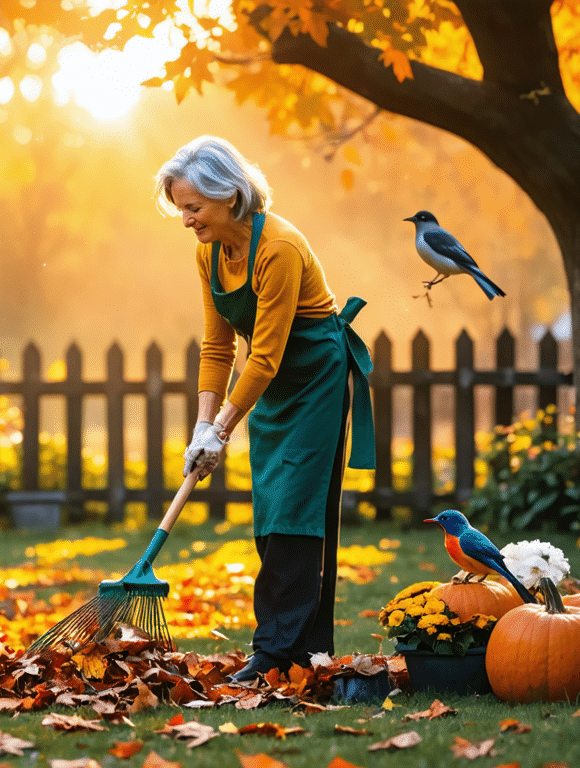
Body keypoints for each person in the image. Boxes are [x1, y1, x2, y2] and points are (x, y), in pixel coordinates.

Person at [154, 136, 376, 683]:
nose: (186, 220)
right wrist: (205, 425)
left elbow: (268, 355)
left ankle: (275, 650)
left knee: (297, 513)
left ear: (228, 196)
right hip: (271, 387)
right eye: (181, 208)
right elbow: (218, 347)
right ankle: (304, 649)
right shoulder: (208, 251)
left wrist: (223, 429)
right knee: (273, 510)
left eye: (194, 208)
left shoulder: (277, 247)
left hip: (314, 377)